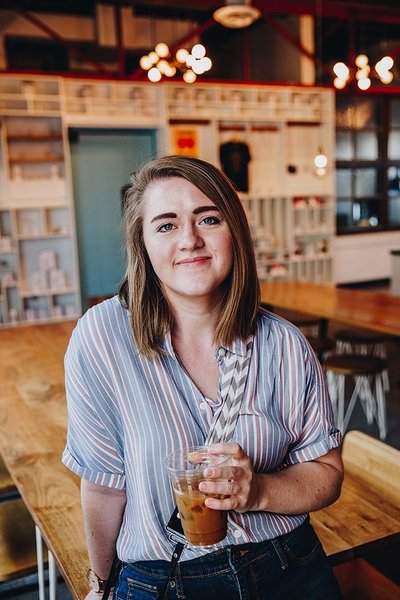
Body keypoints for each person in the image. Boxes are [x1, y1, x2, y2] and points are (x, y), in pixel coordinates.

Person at [62, 155, 344, 600]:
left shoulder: (284, 345)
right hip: (163, 580)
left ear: (234, 231)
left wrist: (260, 491)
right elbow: (102, 486)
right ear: (144, 244)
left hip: (288, 566)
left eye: (208, 218)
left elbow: (327, 474)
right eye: (167, 225)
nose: (190, 239)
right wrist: (101, 585)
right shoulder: (101, 338)